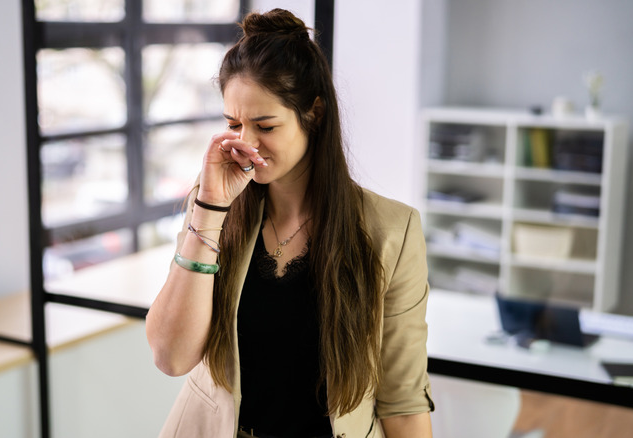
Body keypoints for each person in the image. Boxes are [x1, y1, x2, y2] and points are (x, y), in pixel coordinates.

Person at [146, 8, 434, 438]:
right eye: (233, 124)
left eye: (265, 126)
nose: (245, 144)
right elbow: (170, 357)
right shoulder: (212, 208)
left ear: (313, 114)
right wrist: (209, 208)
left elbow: (404, 403)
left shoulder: (392, 231)